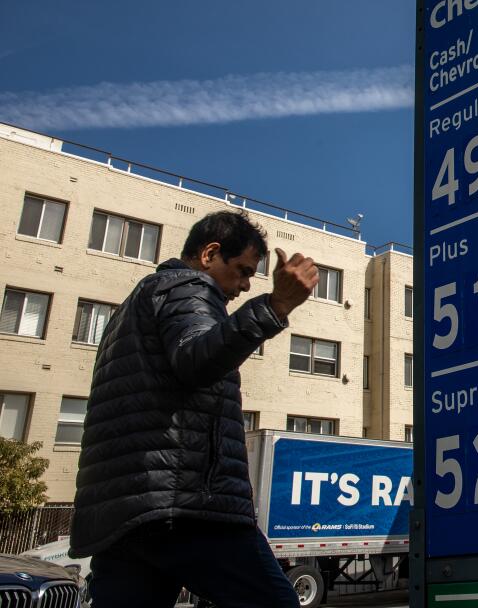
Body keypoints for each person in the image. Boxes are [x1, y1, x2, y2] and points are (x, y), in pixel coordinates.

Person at [69, 210, 319, 607]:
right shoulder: (188, 288)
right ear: (209, 254)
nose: (244, 285)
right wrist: (275, 306)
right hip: (185, 506)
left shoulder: (134, 305)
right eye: (241, 270)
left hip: (123, 518)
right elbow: (196, 360)